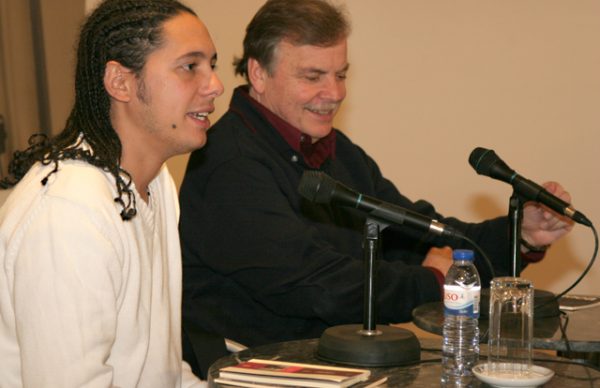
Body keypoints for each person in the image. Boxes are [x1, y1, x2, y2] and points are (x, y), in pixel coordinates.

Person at [179, 0, 573, 351]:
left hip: (337, 364)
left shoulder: (335, 149)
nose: (334, 93)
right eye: (313, 76)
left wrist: (520, 235)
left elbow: (419, 233)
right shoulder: (227, 163)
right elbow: (318, 286)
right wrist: (436, 281)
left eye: (341, 74)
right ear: (258, 74)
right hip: (252, 372)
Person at [0, 0, 223, 386]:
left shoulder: (155, 183)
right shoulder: (69, 212)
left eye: (212, 66)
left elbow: (162, 376)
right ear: (121, 82)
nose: (215, 85)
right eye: (190, 67)